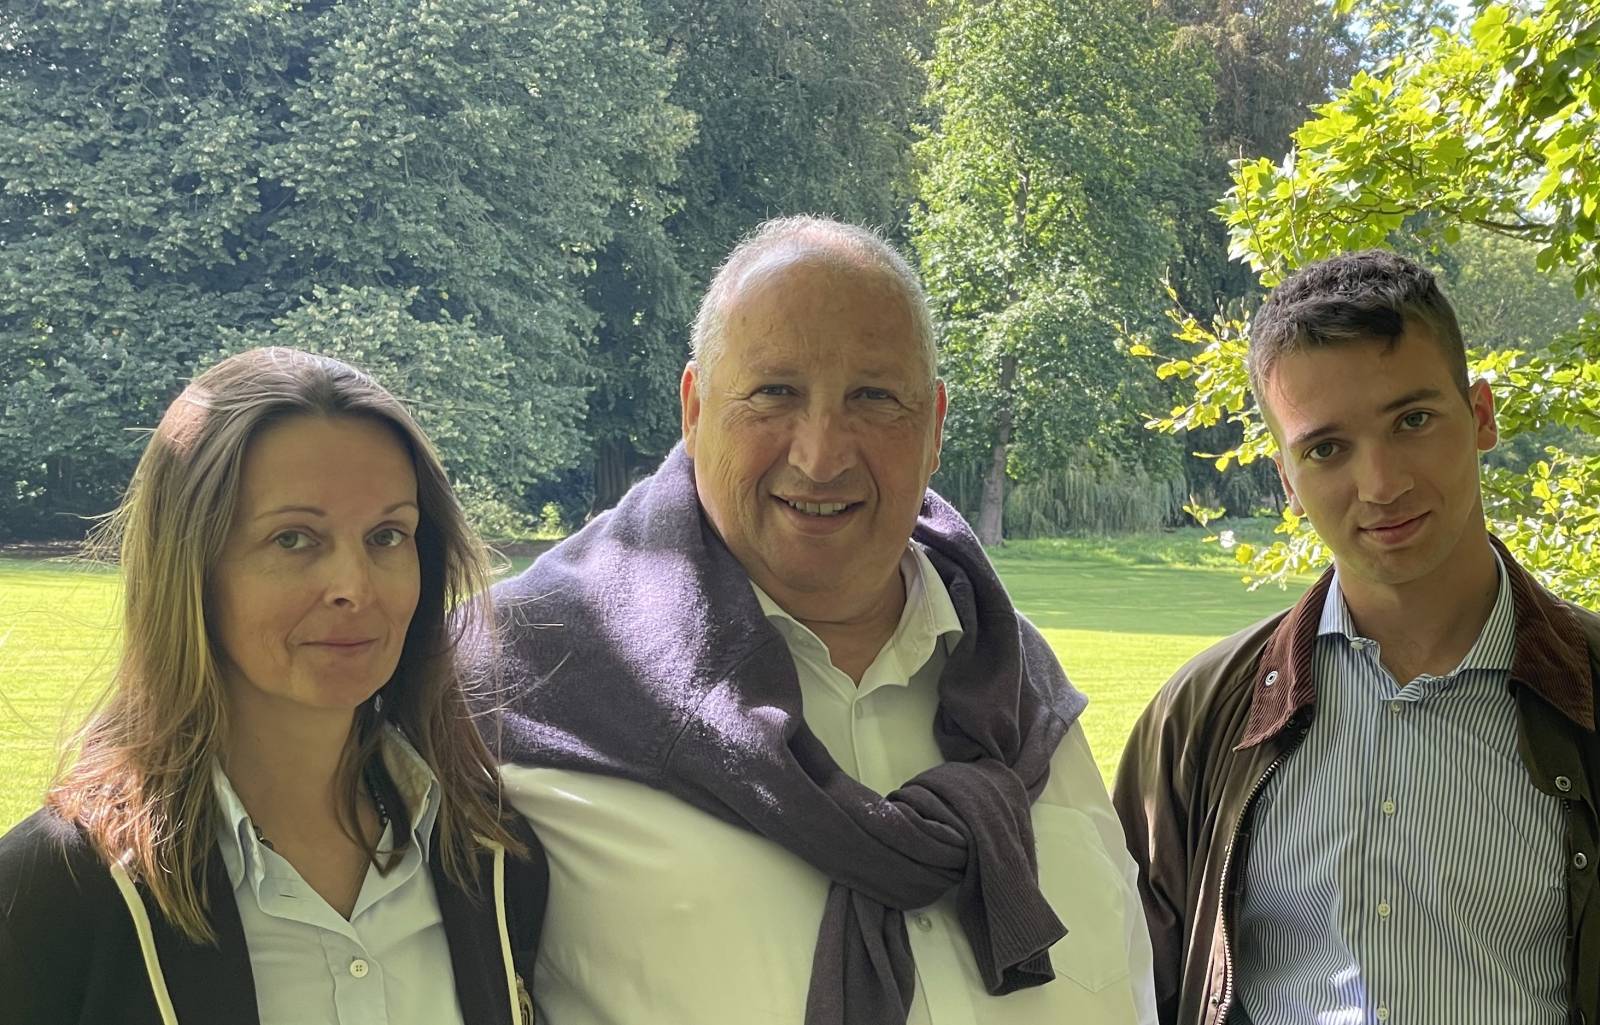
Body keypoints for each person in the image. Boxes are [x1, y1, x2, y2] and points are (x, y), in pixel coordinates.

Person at [478, 215, 1155, 1025]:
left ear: (935, 426)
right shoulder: (523, 675)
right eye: (774, 392)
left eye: (873, 397)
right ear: (694, 409)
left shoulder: (1025, 693)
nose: (821, 454)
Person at [1113, 250, 1600, 1025]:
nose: (1382, 485)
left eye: (1413, 420)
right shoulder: (1200, 717)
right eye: (1327, 448)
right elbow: (1121, 984)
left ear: (1481, 414)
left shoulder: (1590, 689)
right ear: (1287, 478)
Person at [0, 347, 547, 1025]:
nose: (354, 587)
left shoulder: (493, 855)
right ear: (192, 570)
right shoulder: (55, 892)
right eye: (293, 539)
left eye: (386, 535)